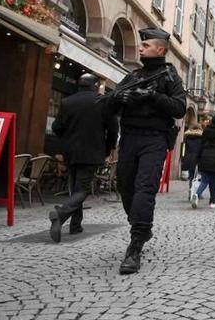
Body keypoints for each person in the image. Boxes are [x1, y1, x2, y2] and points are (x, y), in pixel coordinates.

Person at [107, 27, 187, 275]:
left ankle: (135, 245)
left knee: (144, 189)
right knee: (125, 186)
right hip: (130, 138)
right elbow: (110, 102)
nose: (140, 48)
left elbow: (179, 107)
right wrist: (123, 99)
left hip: (154, 139)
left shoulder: (170, 76)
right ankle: (141, 225)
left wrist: (152, 98)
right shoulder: (134, 75)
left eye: (145, 46)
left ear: (160, 50)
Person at [48, 73, 118, 243]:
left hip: (71, 152)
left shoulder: (67, 102)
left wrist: (68, 138)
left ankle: (75, 225)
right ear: (94, 85)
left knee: (75, 187)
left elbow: (56, 127)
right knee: (82, 189)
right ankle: (61, 213)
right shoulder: (102, 102)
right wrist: (108, 148)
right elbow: (113, 129)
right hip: (92, 152)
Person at [196, 115, 215, 208]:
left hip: (205, 157)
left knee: (204, 181)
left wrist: (199, 158)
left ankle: (196, 195)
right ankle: (212, 202)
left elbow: (201, 145)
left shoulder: (206, 131)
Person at [181, 123, 203, 200]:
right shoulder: (202, 137)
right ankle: (197, 193)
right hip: (199, 159)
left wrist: (183, 158)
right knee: (199, 177)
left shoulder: (187, 136)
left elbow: (184, 148)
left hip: (189, 158)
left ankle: (190, 192)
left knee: (191, 177)